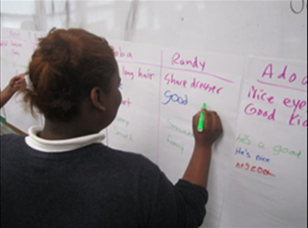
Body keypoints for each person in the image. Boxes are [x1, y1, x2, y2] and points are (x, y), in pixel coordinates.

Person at [1, 28, 223, 228]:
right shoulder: (135, 180)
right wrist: (203, 146)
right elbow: (186, 215)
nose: (119, 93)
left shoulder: (4, 151)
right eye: (117, 86)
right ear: (98, 98)